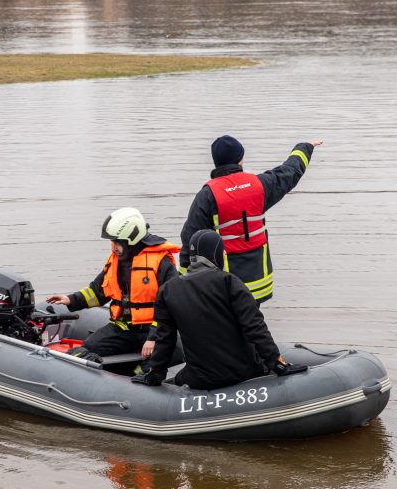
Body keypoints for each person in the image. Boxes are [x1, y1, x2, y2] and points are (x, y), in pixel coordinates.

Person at [133, 230, 304, 389]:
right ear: (215, 254)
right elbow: (255, 327)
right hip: (245, 373)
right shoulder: (229, 282)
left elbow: (165, 339)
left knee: (176, 380)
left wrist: (156, 374)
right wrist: (276, 363)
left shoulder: (167, 291)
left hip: (199, 379)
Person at [180, 135, 323, 304]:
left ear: (216, 162)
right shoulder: (259, 185)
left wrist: (183, 284)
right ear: (241, 159)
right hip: (259, 282)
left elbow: (189, 239)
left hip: (225, 285)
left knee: (227, 326)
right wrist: (305, 147)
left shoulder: (207, 195)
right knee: (252, 326)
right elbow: (289, 172)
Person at [46, 207, 180, 357]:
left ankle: (137, 372)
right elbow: (97, 291)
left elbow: (171, 304)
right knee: (83, 351)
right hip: (122, 329)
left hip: (152, 329)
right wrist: (70, 299)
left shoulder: (161, 261)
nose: (113, 246)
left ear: (131, 239)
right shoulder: (116, 262)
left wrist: (153, 337)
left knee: (155, 363)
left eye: (117, 242)